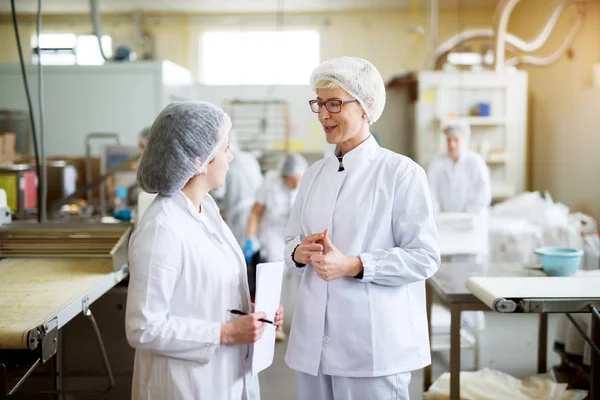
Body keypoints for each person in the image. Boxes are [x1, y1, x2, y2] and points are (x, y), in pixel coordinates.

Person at [284, 57, 440, 400]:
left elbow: (424, 257)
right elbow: (289, 241)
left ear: (366, 106)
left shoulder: (401, 173)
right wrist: (298, 252)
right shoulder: (313, 175)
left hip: (372, 349)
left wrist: (355, 265)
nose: (324, 114)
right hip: (312, 346)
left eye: (335, 103)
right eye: (319, 103)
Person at [125, 101, 284, 399]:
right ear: (200, 160)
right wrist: (224, 333)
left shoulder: (204, 210)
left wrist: (251, 312)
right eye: (225, 148)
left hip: (223, 377)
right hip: (182, 386)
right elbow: (143, 327)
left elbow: (203, 294)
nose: (231, 156)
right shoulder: (163, 228)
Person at [244, 152, 308, 341]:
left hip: (297, 235)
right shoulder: (270, 182)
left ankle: (304, 324)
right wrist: (250, 238)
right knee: (275, 276)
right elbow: (256, 212)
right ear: (283, 176)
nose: (295, 184)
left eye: (298, 180)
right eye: (291, 180)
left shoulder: (308, 182)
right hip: (273, 234)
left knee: (303, 277)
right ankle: (273, 324)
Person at [427, 121, 492, 263]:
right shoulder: (437, 163)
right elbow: (430, 193)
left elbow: (483, 194)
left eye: (456, 140)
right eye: (449, 140)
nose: (452, 144)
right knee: (445, 265)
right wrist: (437, 214)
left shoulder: (475, 162)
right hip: (445, 225)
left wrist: (466, 215)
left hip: (471, 225)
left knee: (470, 264)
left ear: (464, 140)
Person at [212, 132, 264, 248]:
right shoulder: (249, 158)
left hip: (237, 213)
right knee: (251, 244)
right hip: (254, 209)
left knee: (238, 247)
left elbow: (218, 192)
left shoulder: (225, 162)